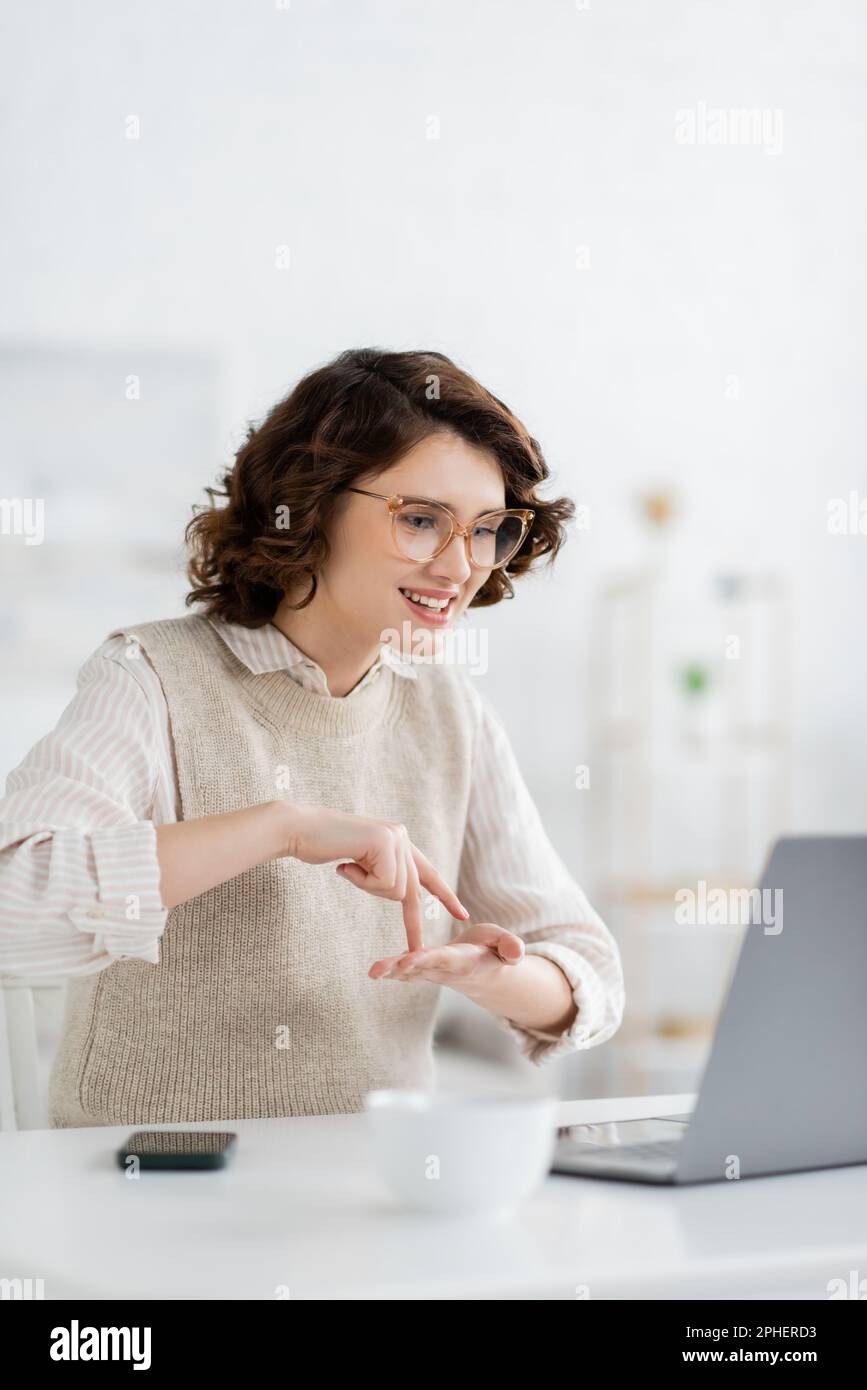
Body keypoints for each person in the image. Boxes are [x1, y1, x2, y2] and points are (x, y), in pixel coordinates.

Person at [0, 347, 624, 1127]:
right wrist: (281, 828)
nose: (460, 565)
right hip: (153, 1190)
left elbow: (587, 972)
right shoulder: (152, 678)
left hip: (372, 1190)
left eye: (487, 530)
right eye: (422, 520)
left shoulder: (449, 713)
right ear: (312, 503)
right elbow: (12, 905)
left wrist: (488, 975)